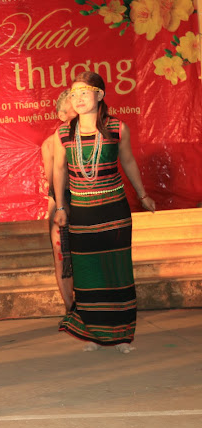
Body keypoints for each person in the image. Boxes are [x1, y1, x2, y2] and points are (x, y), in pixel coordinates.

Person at [52, 71, 155, 354]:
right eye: (74, 93)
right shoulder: (63, 133)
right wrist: (60, 206)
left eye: (84, 92)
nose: (78, 98)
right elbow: (59, 170)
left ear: (99, 95)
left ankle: (122, 334)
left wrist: (143, 195)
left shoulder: (117, 128)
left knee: (116, 270)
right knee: (88, 273)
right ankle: (93, 333)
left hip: (114, 210)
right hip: (82, 212)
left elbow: (129, 161)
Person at [41, 89, 77, 312]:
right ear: (62, 114)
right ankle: (71, 309)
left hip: (89, 200)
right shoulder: (51, 143)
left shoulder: (96, 135)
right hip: (63, 200)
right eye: (74, 104)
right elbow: (53, 182)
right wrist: (62, 206)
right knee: (62, 258)